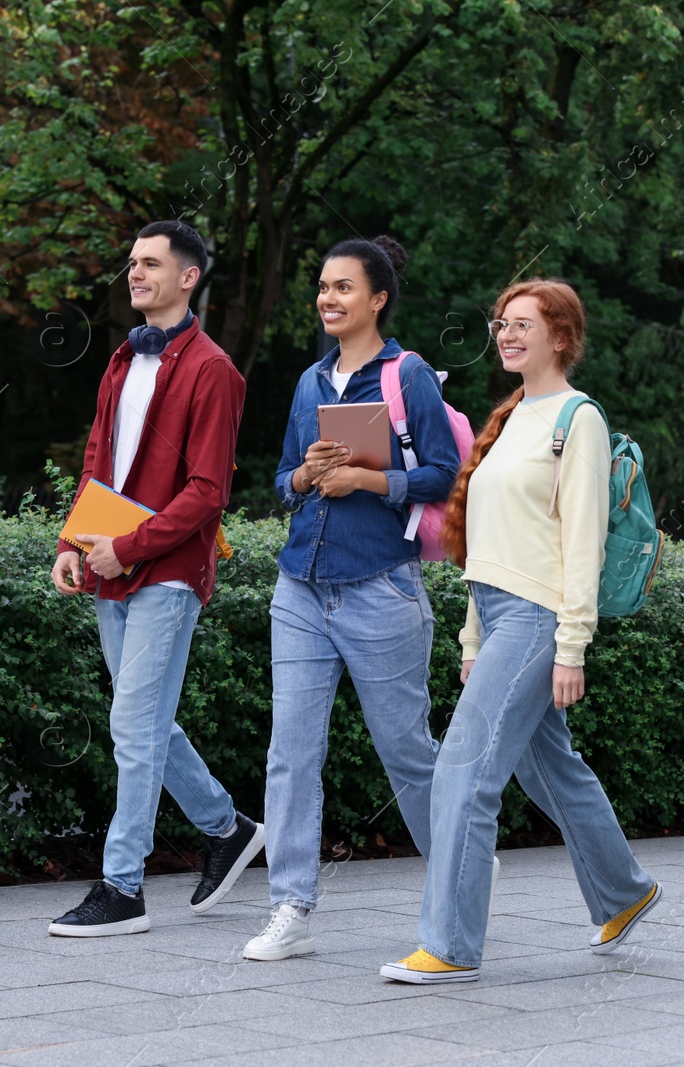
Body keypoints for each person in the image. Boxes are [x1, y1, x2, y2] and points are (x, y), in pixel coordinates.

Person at [381, 277, 661, 983]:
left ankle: (450, 945)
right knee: (552, 769)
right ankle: (624, 891)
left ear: (561, 338)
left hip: (540, 616)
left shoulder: (578, 419)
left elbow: (581, 542)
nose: (506, 334)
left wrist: (572, 646)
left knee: (463, 771)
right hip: (500, 610)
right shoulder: (508, 418)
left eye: (523, 325)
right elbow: (488, 542)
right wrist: (474, 638)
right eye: (501, 323)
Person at [242, 235, 465, 962]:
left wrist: (368, 481)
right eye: (322, 286)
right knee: (291, 751)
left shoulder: (412, 376)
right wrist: (306, 476)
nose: (328, 298)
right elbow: (281, 478)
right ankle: (290, 907)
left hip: (380, 586)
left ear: (378, 298)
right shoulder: (310, 382)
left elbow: (444, 473)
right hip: (300, 585)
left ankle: (459, 880)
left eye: (343, 287)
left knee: (406, 750)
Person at [47, 220, 264, 937]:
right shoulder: (120, 360)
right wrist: (74, 541)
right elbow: (96, 459)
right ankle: (226, 828)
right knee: (142, 721)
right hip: (111, 563)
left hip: (168, 570)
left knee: (132, 725)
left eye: (150, 263)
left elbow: (208, 493)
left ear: (188, 277)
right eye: (132, 262)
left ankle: (122, 884)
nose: (134, 273)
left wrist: (130, 547)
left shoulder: (214, 371)